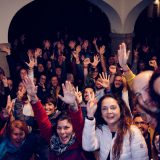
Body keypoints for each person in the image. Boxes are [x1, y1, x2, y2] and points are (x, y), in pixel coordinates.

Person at [23, 77, 87, 160]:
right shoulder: (53, 139)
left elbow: (78, 123)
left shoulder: (79, 141)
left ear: (73, 129)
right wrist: (33, 97)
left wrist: (73, 105)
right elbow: (43, 121)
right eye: (59, 128)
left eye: (66, 128)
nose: (62, 132)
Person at [82, 94, 149, 160]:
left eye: (113, 108)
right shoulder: (101, 130)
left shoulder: (133, 131)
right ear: (101, 114)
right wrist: (90, 116)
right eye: (104, 109)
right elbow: (88, 147)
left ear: (121, 110)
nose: (109, 111)